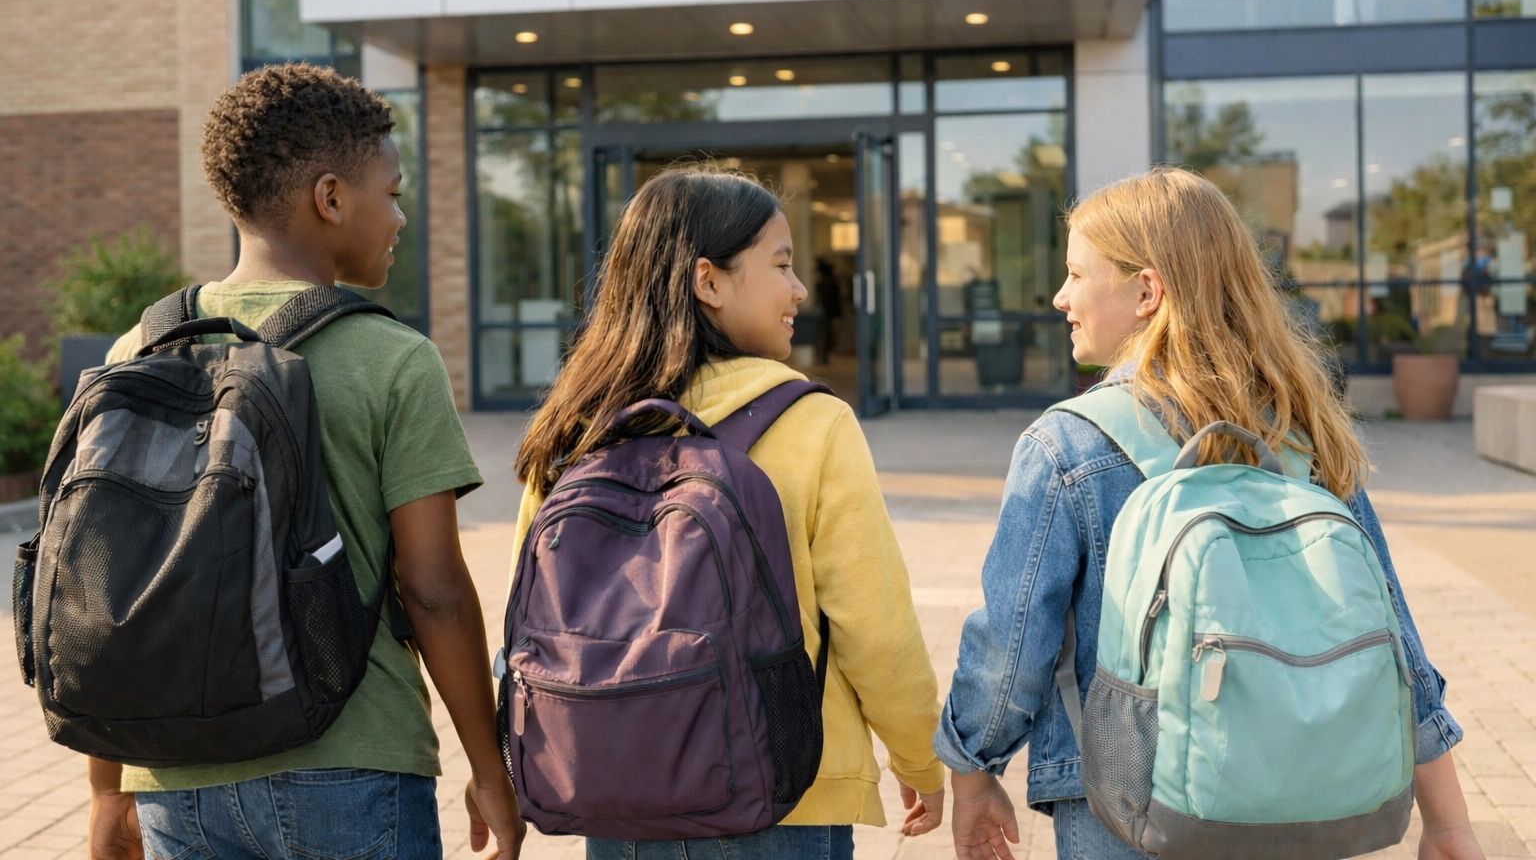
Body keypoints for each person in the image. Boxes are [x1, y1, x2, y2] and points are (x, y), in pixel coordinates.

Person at [935, 167, 1485, 860]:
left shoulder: (1070, 443)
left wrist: (971, 767)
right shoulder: (1299, 430)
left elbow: (1010, 648)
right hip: (1292, 791)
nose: (1060, 296)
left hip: (1130, 805)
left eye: (1077, 275)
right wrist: (1449, 821)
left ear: (1147, 292)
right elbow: (1393, 634)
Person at [88, 63, 524, 860]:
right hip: (352, 764)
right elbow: (434, 592)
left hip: (176, 780)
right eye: (390, 191)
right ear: (330, 198)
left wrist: (106, 791)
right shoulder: (393, 357)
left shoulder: (139, 349)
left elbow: (111, 580)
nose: (399, 215)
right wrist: (488, 766)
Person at [511, 168, 946, 860]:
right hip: (781, 793)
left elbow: (530, 620)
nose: (799, 289)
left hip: (616, 789)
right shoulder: (813, 422)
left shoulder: (576, 426)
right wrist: (921, 760)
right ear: (708, 282)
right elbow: (876, 626)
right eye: (781, 265)